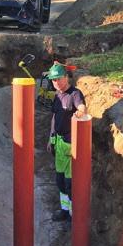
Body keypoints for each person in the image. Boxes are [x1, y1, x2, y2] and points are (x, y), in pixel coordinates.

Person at [46, 63, 87, 222]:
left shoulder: (74, 94)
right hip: (59, 144)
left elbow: (81, 106)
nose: (55, 82)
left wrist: (81, 111)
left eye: (58, 79)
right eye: (53, 80)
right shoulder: (57, 96)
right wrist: (51, 138)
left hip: (71, 146)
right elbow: (54, 118)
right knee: (60, 181)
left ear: (66, 77)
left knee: (70, 184)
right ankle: (64, 210)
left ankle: (72, 214)